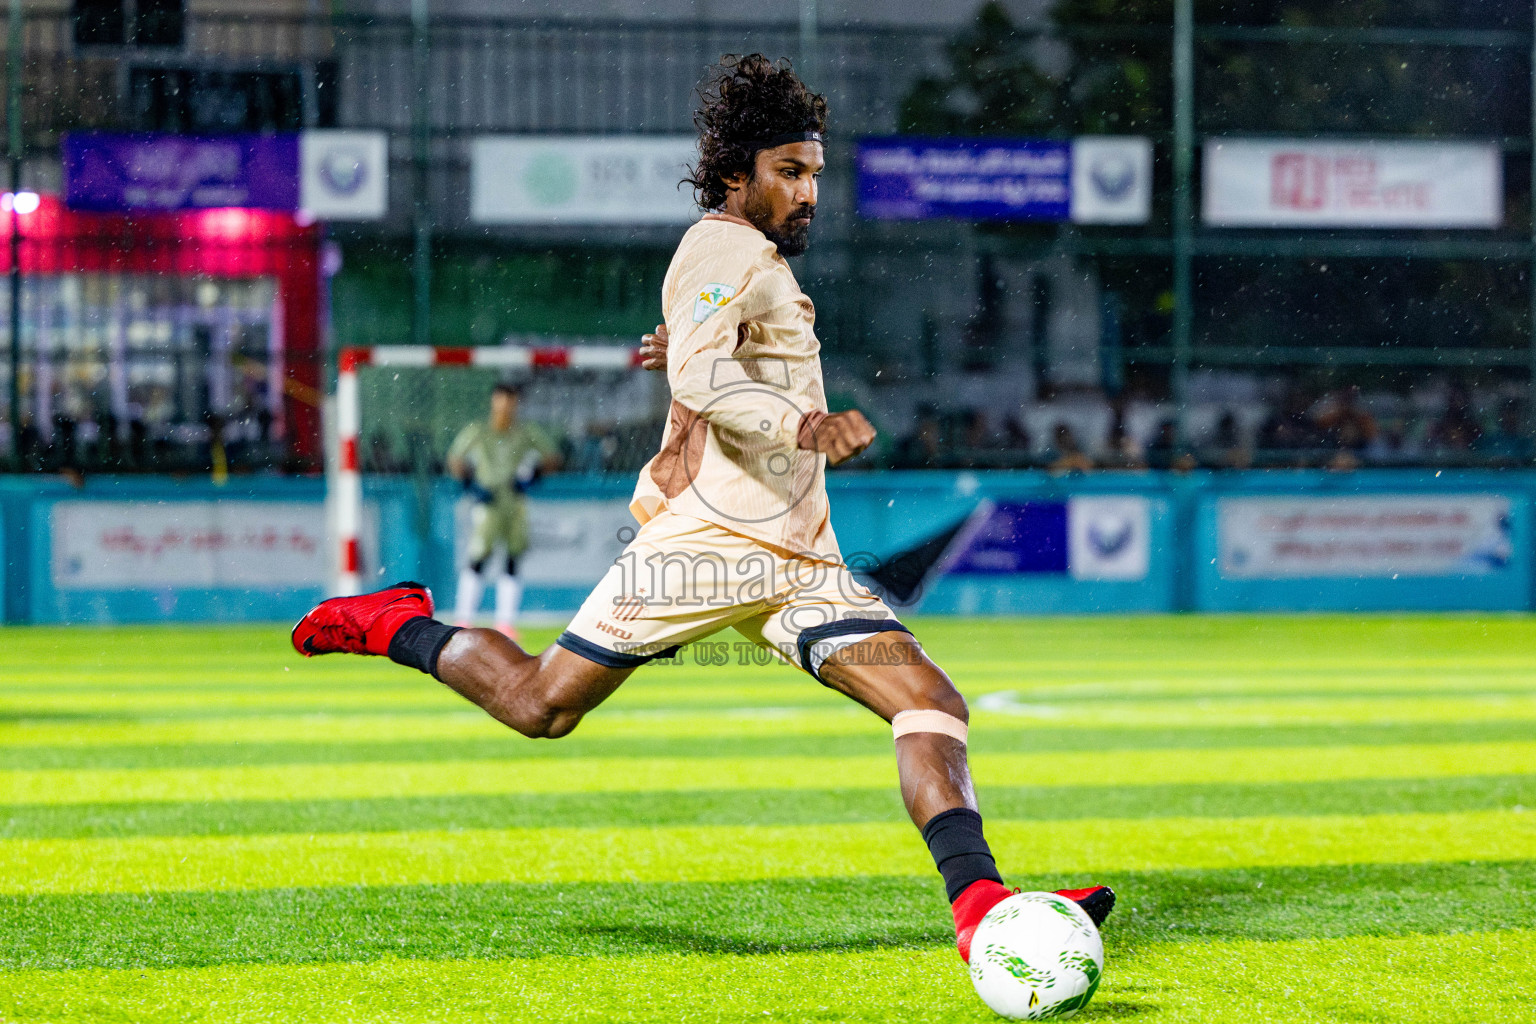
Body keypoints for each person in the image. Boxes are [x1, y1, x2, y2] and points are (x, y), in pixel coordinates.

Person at [292, 54, 1112, 964]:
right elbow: (704, 373)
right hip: (714, 540)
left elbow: (707, 350)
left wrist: (695, 346)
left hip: (798, 558)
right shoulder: (722, 244)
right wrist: (801, 419)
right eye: (789, 173)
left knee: (928, 702)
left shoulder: (747, 260)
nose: (808, 194)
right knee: (539, 706)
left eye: (814, 175)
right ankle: (392, 624)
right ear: (738, 176)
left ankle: (984, 912)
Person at [445, 382, 562, 640]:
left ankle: (505, 621)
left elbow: (553, 457)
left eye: (510, 402)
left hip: (515, 502)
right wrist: (470, 485)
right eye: (501, 401)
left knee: (513, 557)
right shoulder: (478, 431)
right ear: (493, 403)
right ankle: (464, 617)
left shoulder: (525, 432)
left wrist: (534, 475)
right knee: (479, 556)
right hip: (488, 502)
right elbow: (455, 458)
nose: (505, 408)